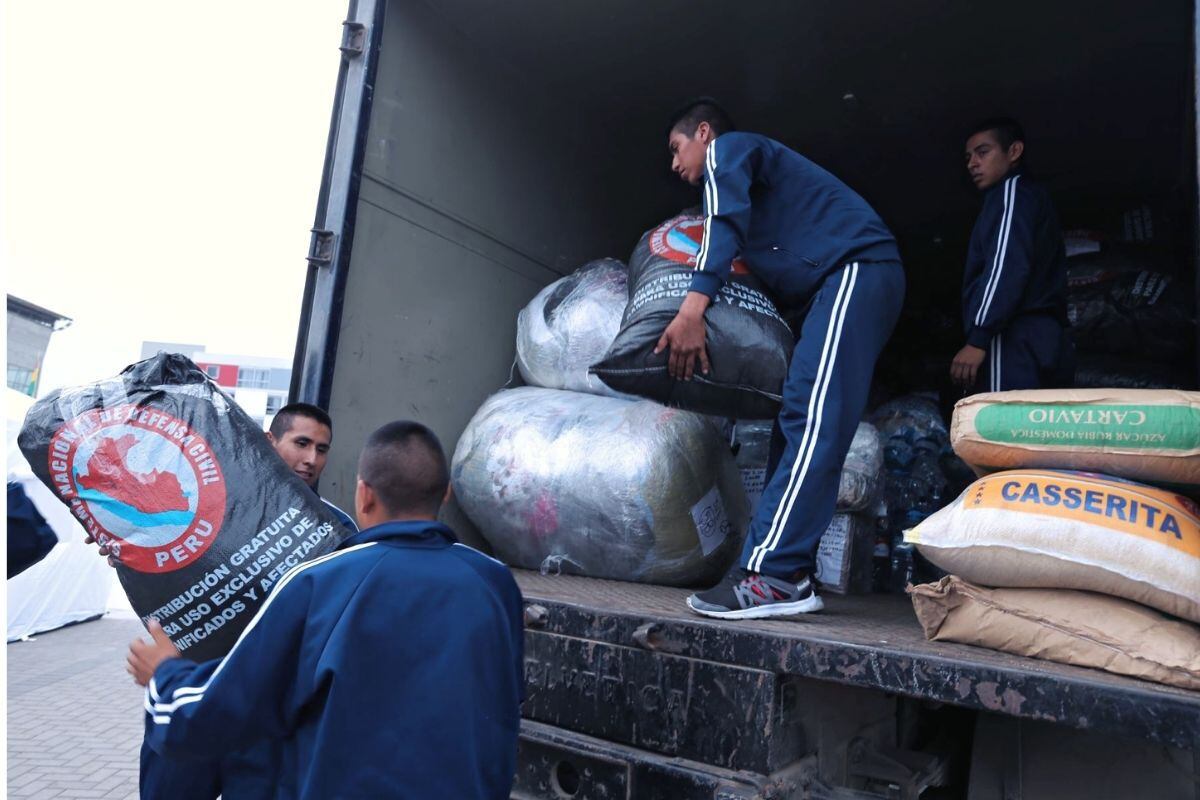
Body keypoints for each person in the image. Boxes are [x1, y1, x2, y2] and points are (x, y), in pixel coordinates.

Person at [128, 421, 525, 799]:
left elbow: (215, 712)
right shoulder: (493, 582)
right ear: (446, 493)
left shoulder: (322, 581)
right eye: (301, 444)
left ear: (364, 494)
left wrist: (165, 674)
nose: (310, 458)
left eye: (319, 448)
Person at [658, 98, 905, 620]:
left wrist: (694, 306)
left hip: (856, 270)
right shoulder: (757, 205)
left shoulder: (730, 150)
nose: (675, 165)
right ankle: (777, 566)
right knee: (795, 422)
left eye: (678, 149)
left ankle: (776, 576)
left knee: (811, 418)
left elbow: (721, 223)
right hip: (837, 285)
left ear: (704, 134)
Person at [951, 118, 1071, 392]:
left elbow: (1006, 265)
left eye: (983, 152)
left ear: (1014, 152)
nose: (972, 164)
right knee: (1039, 429)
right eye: (969, 157)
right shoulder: (1032, 197)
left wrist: (979, 337)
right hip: (1045, 336)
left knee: (1007, 426)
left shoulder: (1012, 192)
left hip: (1015, 336)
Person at [266, 402, 358, 533]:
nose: (312, 460)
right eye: (302, 444)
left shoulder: (339, 524)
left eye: (321, 450)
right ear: (269, 442)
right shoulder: (233, 502)